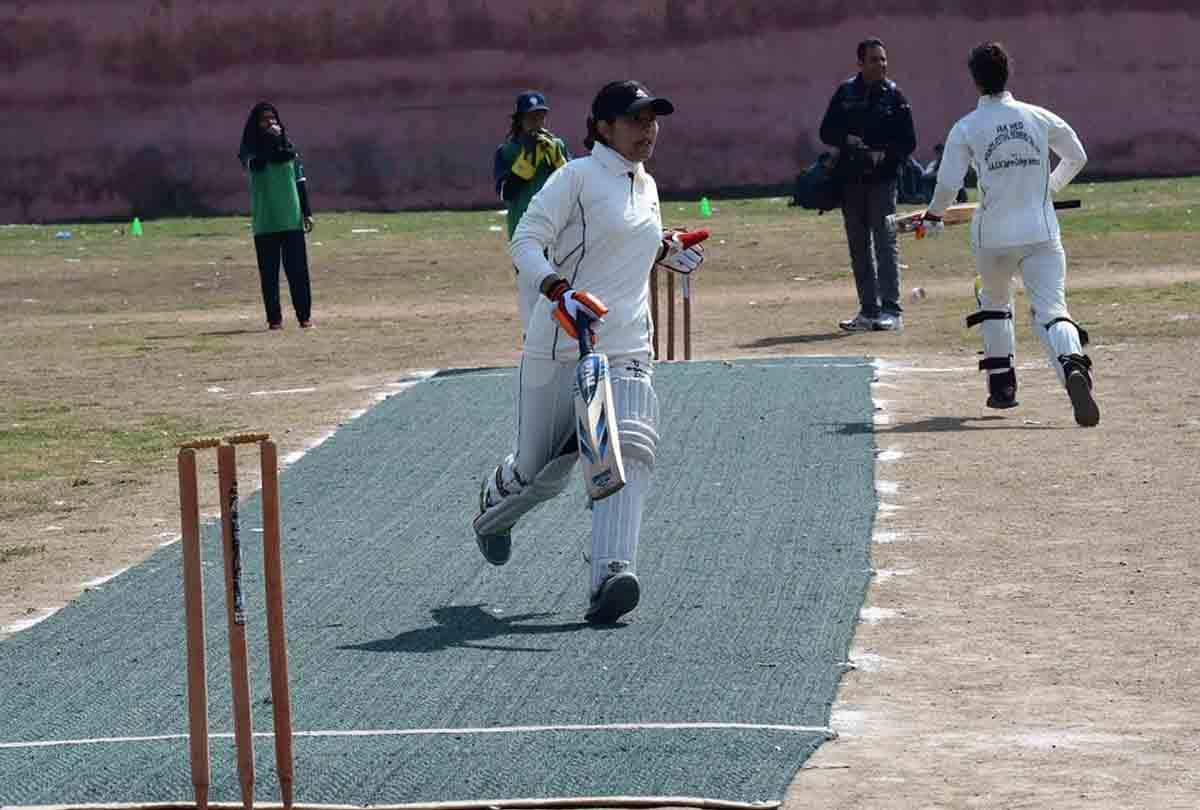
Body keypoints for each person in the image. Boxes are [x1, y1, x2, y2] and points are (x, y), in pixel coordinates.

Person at [472, 80, 705, 624]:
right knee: (541, 473)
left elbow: (624, 247)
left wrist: (664, 250)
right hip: (558, 343)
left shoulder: (645, 184)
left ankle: (610, 576)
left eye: (653, 118)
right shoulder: (575, 176)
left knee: (627, 446)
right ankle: (492, 512)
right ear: (603, 127)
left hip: (625, 346)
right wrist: (557, 289)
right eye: (635, 119)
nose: (648, 129)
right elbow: (525, 240)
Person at [919, 42, 1098, 427]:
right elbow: (1077, 155)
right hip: (1041, 231)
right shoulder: (1038, 116)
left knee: (995, 301)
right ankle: (1071, 366)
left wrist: (933, 215)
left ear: (974, 79)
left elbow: (949, 183)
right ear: (1007, 74)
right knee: (1052, 309)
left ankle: (1003, 386)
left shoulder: (967, 126)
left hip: (993, 235)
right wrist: (1049, 187)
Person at [819, 37, 917, 332]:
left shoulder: (895, 96)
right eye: (875, 59)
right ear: (860, 63)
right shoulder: (845, 92)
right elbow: (826, 131)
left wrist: (884, 155)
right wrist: (848, 140)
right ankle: (868, 311)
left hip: (883, 183)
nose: (882, 65)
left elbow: (909, 142)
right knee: (858, 247)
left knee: (885, 245)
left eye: (884, 59)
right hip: (850, 183)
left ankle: (891, 311)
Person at [493, 91, 571, 331]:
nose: (537, 124)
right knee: (531, 299)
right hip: (524, 234)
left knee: (561, 293)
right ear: (519, 120)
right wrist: (524, 164)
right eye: (531, 118)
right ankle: (532, 350)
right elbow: (504, 193)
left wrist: (559, 160)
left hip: (559, 231)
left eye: (541, 117)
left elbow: (573, 184)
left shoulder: (555, 145)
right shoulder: (506, 151)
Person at [238, 102, 314, 330]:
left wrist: (307, 212)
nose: (270, 123)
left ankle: (304, 317)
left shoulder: (289, 148)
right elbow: (259, 164)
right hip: (266, 222)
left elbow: (300, 181)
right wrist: (270, 140)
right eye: (264, 119)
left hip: (291, 219)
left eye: (273, 118)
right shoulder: (249, 151)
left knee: (298, 272)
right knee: (269, 275)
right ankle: (274, 319)